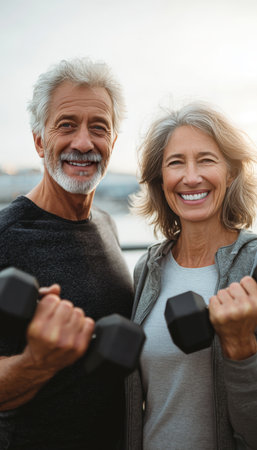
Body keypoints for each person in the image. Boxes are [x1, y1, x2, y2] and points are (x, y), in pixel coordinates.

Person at [0, 58, 133, 450]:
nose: (83, 142)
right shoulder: (5, 236)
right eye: (66, 124)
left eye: (99, 127)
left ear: (113, 142)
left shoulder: (106, 224)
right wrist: (38, 361)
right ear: (40, 140)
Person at [126, 102, 257, 450]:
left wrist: (241, 348)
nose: (191, 176)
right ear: (160, 180)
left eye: (206, 160)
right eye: (176, 162)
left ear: (230, 173)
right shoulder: (147, 269)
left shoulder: (254, 266)